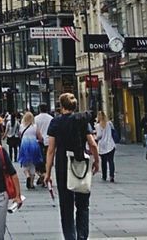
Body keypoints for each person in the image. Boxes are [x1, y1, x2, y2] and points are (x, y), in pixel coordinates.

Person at [44, 92, 98, 240]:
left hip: (63, 166)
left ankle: (70, 237)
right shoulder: (82, 121)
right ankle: (82, 236)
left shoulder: (56, 122)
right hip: (80, 164)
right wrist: (97, 161)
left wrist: (47, 173)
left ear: (61, 106)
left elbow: (50, 150)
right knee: (83, 204)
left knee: (66, 207)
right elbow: (92, 144)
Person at [16, 111, 42, 189]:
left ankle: (27, 175)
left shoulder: (21, 126)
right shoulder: (35, 126)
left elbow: (20, 135)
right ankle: (31, 184)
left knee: (24, 163)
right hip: (34, 144)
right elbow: (40, 137)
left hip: (24, 144)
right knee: (33, 163)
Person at [34, 103, 55, 183]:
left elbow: (35, 130)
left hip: (39, 141)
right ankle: (47, 173)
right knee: (48, 159)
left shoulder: (36, 118)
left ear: (39, 109)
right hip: (49, 140)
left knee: (40, 159)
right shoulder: (51, 118)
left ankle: (43, 174)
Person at [94, 111, 117, 182]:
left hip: (102, 146)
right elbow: (113, 131)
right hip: (111, 144)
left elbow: (99, 136)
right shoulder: (109, 123)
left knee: (103, 162)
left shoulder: (98, 126)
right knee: (111, 161)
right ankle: (111, 176)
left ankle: (104, 176)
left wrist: (95, 137)